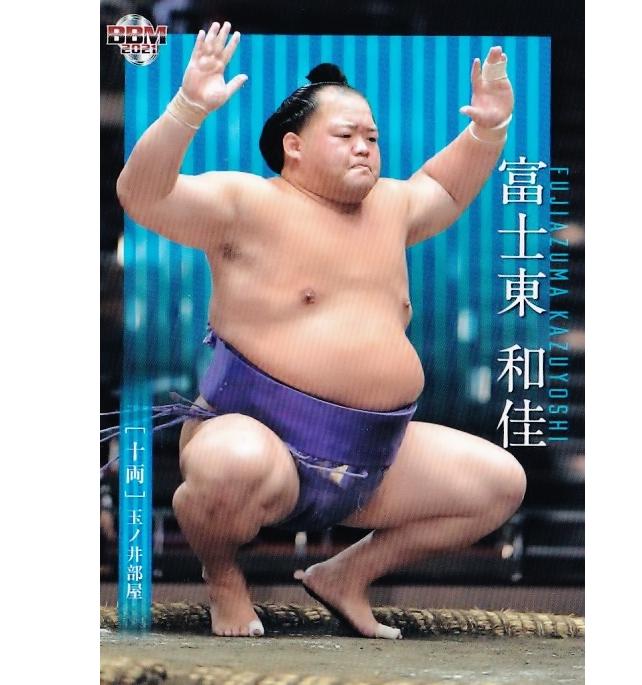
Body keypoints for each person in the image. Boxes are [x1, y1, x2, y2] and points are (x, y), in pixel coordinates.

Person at [116, 20, 526, 639]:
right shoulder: (246, 205)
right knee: (231, 463)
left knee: (498, 485)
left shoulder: (391, 206)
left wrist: (488, 129)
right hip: (259, 440)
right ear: (294, 146)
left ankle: (346, 576)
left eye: (372, 137)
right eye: (345, 135)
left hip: (373, 455)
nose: (364, 147)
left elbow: (443, 186)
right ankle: (223, 578)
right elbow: (143, 195)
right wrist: (187, 108)